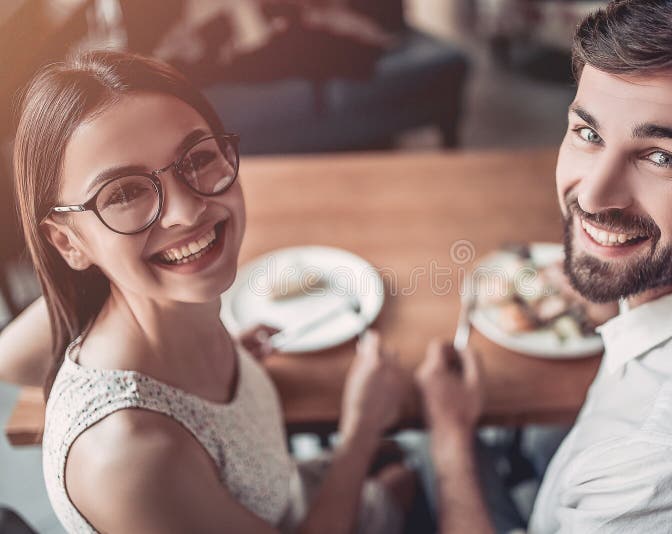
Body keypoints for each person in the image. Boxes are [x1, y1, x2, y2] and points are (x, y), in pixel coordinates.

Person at [415, 0, 672, 532]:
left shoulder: (664, 478)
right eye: (589, 133)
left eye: (661, 156)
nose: (592, 196)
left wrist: (450, 436)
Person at [5, 49, 415, 533]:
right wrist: (360, 431)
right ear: (68, 241)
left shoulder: (181, 304)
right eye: (123, 193)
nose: (186, 210)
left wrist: (236, 362)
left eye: (196, 158)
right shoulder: (130, 458)